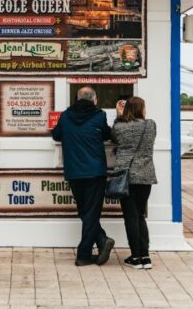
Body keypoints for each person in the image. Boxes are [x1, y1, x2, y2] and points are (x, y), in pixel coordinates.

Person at [51, 86, 115, 266]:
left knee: (84, 212)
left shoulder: (65, 116)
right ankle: (86, 253)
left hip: (74, 172)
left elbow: (56, 135)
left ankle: (98, 243)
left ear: (77, 99)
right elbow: (107, 135)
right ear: (94, 99)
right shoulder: (100, 116)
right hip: (95, 172)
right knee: (91, 212)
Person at [112, 96, 157, 269]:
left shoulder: (120, 127)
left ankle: (135, 257)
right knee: (139, 215)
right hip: (146, 176)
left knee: (130, 216)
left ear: (127, 109)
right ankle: (145, 257)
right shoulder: (151, 125)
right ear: (142, 109)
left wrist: (119, 115)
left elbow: (114, 136)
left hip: (127, 176)